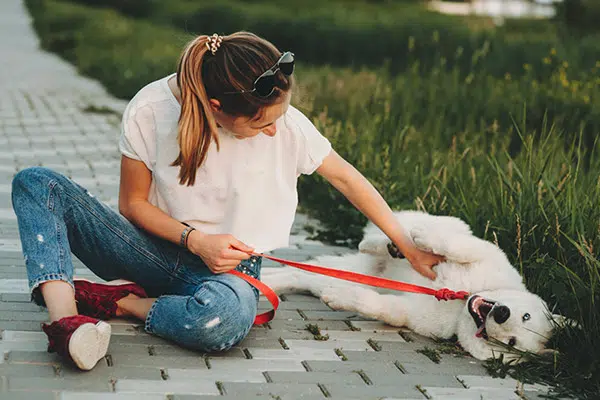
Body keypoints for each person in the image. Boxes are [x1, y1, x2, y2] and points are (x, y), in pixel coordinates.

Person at [11, 31, 443, 371]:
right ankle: (67, 324)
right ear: (217, 108)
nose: (275, 131)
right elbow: (133, 204)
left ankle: (119, 303)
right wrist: (196, 241)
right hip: (151, 250)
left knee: (222, 323)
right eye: (261, 124)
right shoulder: (151, 108)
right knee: (36, 182)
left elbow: (348, 180)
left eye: (279, 117)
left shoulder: (287, 124)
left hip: (229, 276)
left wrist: (406, 245)